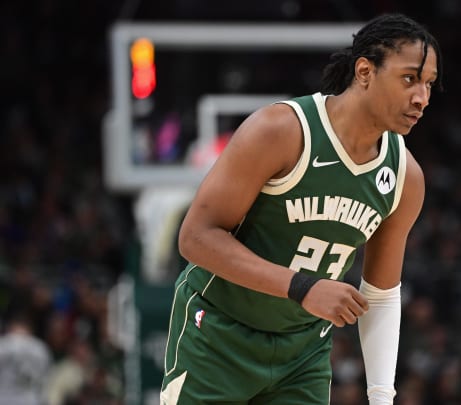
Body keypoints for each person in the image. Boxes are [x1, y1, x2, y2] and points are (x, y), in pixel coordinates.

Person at [160, 12, 442, 404]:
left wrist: (381, 396)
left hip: (303, 351)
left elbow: (380, 294)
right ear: (364, 71)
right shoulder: (281, 131)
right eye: (409, 78)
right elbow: (195, 238)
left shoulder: (405, 176)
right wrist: (303, 288)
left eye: (428, 84)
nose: (421, 97)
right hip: (219, 334)